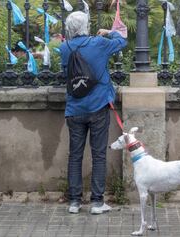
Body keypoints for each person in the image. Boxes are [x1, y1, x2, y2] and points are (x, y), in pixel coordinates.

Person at [59, 11, 127, 214]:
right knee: (98, 155)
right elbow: (122, 41)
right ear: (86, 26)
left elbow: (66, 73)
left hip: (74, 108)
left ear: (69, 29)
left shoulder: (64, 48)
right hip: (98, 106)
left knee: (75, 156)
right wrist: (109, 31)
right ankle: (97, 203)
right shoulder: (99, 43)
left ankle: (74, 202)